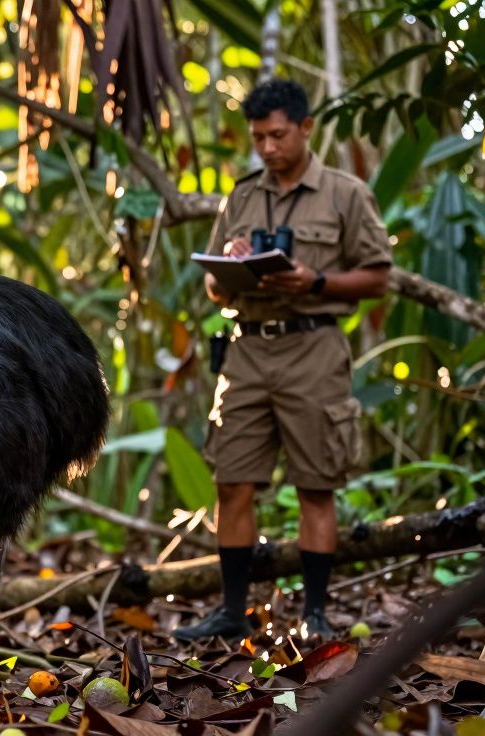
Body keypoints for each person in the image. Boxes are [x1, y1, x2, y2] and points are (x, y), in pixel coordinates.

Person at [172, 78, 391, 643]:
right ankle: (231, 611)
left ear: (305, 127)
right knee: (232, 481)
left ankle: (314, 614)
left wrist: (314, 280)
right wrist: (231, 264)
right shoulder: (243, 196)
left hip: (313, 348)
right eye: (258, 138)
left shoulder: (344, 193)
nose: (267, 148)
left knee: (316, 485)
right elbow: (215, 289)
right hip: (246, 350)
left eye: (277, 135)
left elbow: (377, 278)